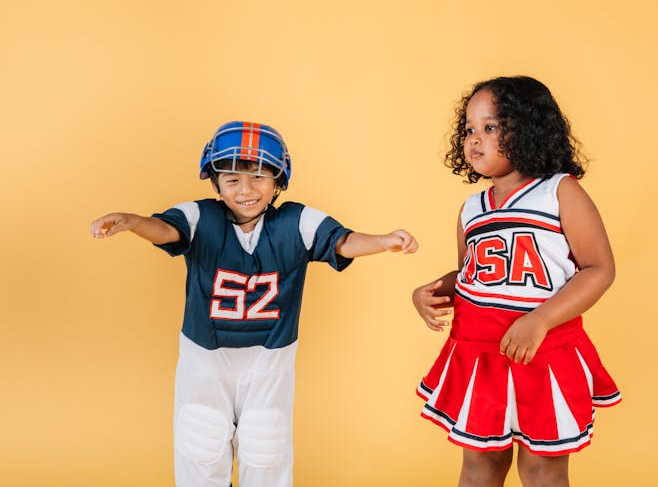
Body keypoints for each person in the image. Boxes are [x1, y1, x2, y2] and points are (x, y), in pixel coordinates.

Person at [90, 121, 418, 487]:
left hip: (269, 361)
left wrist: (383, 241)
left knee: (266, 450)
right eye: (232, 180)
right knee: (201, 445)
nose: (246, 190)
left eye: (259, 176)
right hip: (206, 360)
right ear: (215, 183)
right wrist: (133, 222)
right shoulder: (202, 216)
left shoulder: (297, 221)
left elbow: (341, 242)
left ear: (279, 179)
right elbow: (167, 231)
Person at [412, 77, 621, 487]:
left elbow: (599, 268)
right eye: (469, 129)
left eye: (490, 128)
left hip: (542, 354)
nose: (475, 140)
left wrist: (539, 320)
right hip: (480, 356)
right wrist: (436, 290)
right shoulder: (472, 208)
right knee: (480, 466)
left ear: (527, 129)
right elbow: (474, 274)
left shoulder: (559, 192)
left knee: (542, 468)